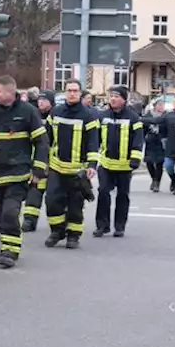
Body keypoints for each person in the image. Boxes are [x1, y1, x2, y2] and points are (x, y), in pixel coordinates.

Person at [0, 76, 47, 265]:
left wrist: (38, 169)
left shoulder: (28, 112)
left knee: (10, 212)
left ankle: (11, 251)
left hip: (20, 172)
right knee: (0, 214)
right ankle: (6, 246)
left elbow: (42, 143)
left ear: (10, 93)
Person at [43, 79, 99, 248]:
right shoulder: (56, 112)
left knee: (76, 204)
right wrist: (42, 161)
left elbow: (93, 142)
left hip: (77, 169)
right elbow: (47, 139)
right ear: (65, 92)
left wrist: (92, 165)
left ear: (80, 93)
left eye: (75, 90)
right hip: (56, 166)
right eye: (69, 90)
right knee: (52, 201)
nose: (72, 93)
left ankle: (73, 235)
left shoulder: (88, 116)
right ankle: (57, 231)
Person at [94, 85, 143, 235]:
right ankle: (102, 225)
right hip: (106, 163)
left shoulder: (133, 117)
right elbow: (95, 139)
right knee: (103, 192)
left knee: (122, 196)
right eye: (111, 96)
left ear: (124, 99)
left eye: (117, 96)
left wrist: (135, 158)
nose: (113, 99)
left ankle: (119, 226)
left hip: (124, 165)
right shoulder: (102, 116)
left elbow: (138, 140)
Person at [21, 90, 53, 233]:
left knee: (54, 194)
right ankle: (29, 220)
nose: (41, 102)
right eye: (39, 100)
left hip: (54, 161)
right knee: (34, 190)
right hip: (38, 159)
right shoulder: (34, 115)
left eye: (44, 100)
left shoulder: (56, 115)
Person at [141, 99, 167, 193]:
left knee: (160, 163)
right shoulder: (148, 115)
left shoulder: (166, 116)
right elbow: (143, 128)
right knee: (149, 162)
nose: (161, 107)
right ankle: (153, 178)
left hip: (161, 142)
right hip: (150, 141)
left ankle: (157, 183)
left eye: (162, 105)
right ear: (155, 106)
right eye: (159, 105)